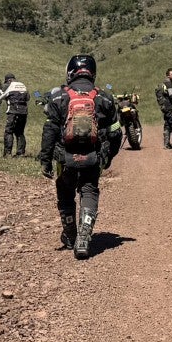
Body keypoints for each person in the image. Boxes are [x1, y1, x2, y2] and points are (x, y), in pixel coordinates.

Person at [38, 53, 119, 259]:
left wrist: (45, 159)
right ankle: (84, 235)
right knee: (89, 190)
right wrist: (108, 156)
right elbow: (116, 132)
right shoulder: (105, 97)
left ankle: (70, 233)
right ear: (92, 72)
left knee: (65, 192)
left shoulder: (58, 96)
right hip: (93, 157)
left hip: (65, 158)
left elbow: (50, 130)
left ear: (70, 72)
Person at [1, 73, 31, 157]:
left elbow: (0, 96)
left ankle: (7, 153)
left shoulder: (8, 85)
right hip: (24, 112)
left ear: (9, 80)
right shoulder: (22, 85)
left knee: (9, 131)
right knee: (20, 132)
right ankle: (20, 153)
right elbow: (28, 98)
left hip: (13, 111)